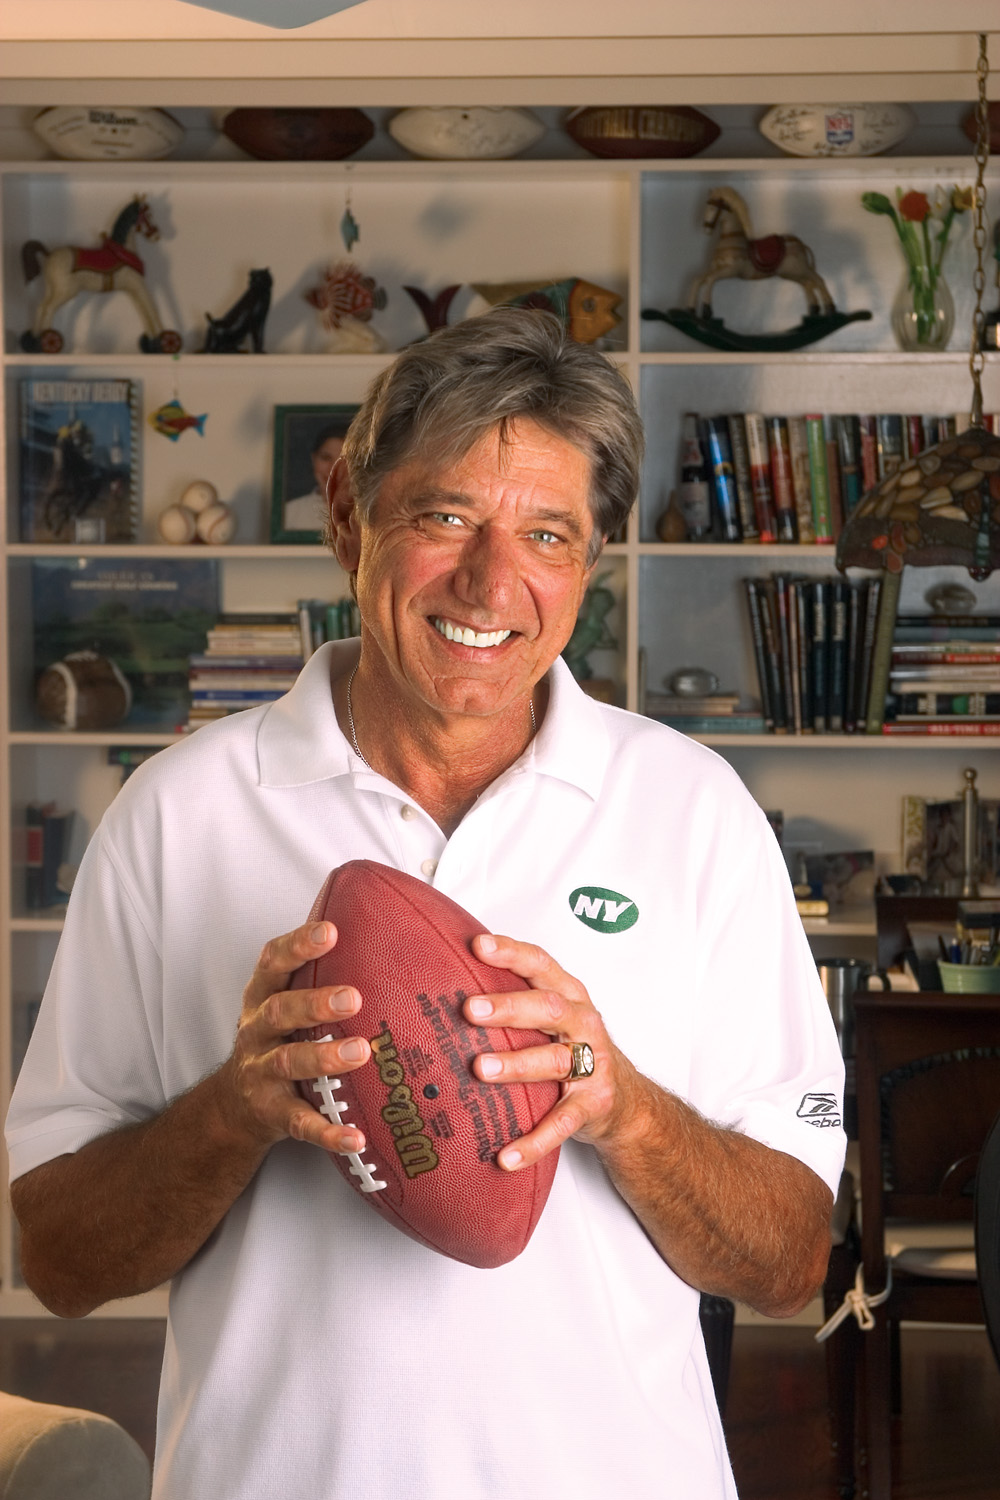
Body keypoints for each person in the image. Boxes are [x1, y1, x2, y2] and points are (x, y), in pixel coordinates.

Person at [6, 308, 845, 1500]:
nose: (491, 582)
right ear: (350, 515)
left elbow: (789, 1264)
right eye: (445, 516)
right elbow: (60, 1262)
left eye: (546, 534)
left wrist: (626, 1113)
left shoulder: (694, 810)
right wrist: (235, 1112)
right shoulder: (174, 812)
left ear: (589, 562)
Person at [282, 420, 345, 531]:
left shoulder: (373, 515)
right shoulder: (289, 513)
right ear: (313, 459)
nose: (332, 469)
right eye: (326, 458)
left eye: (343, 460)